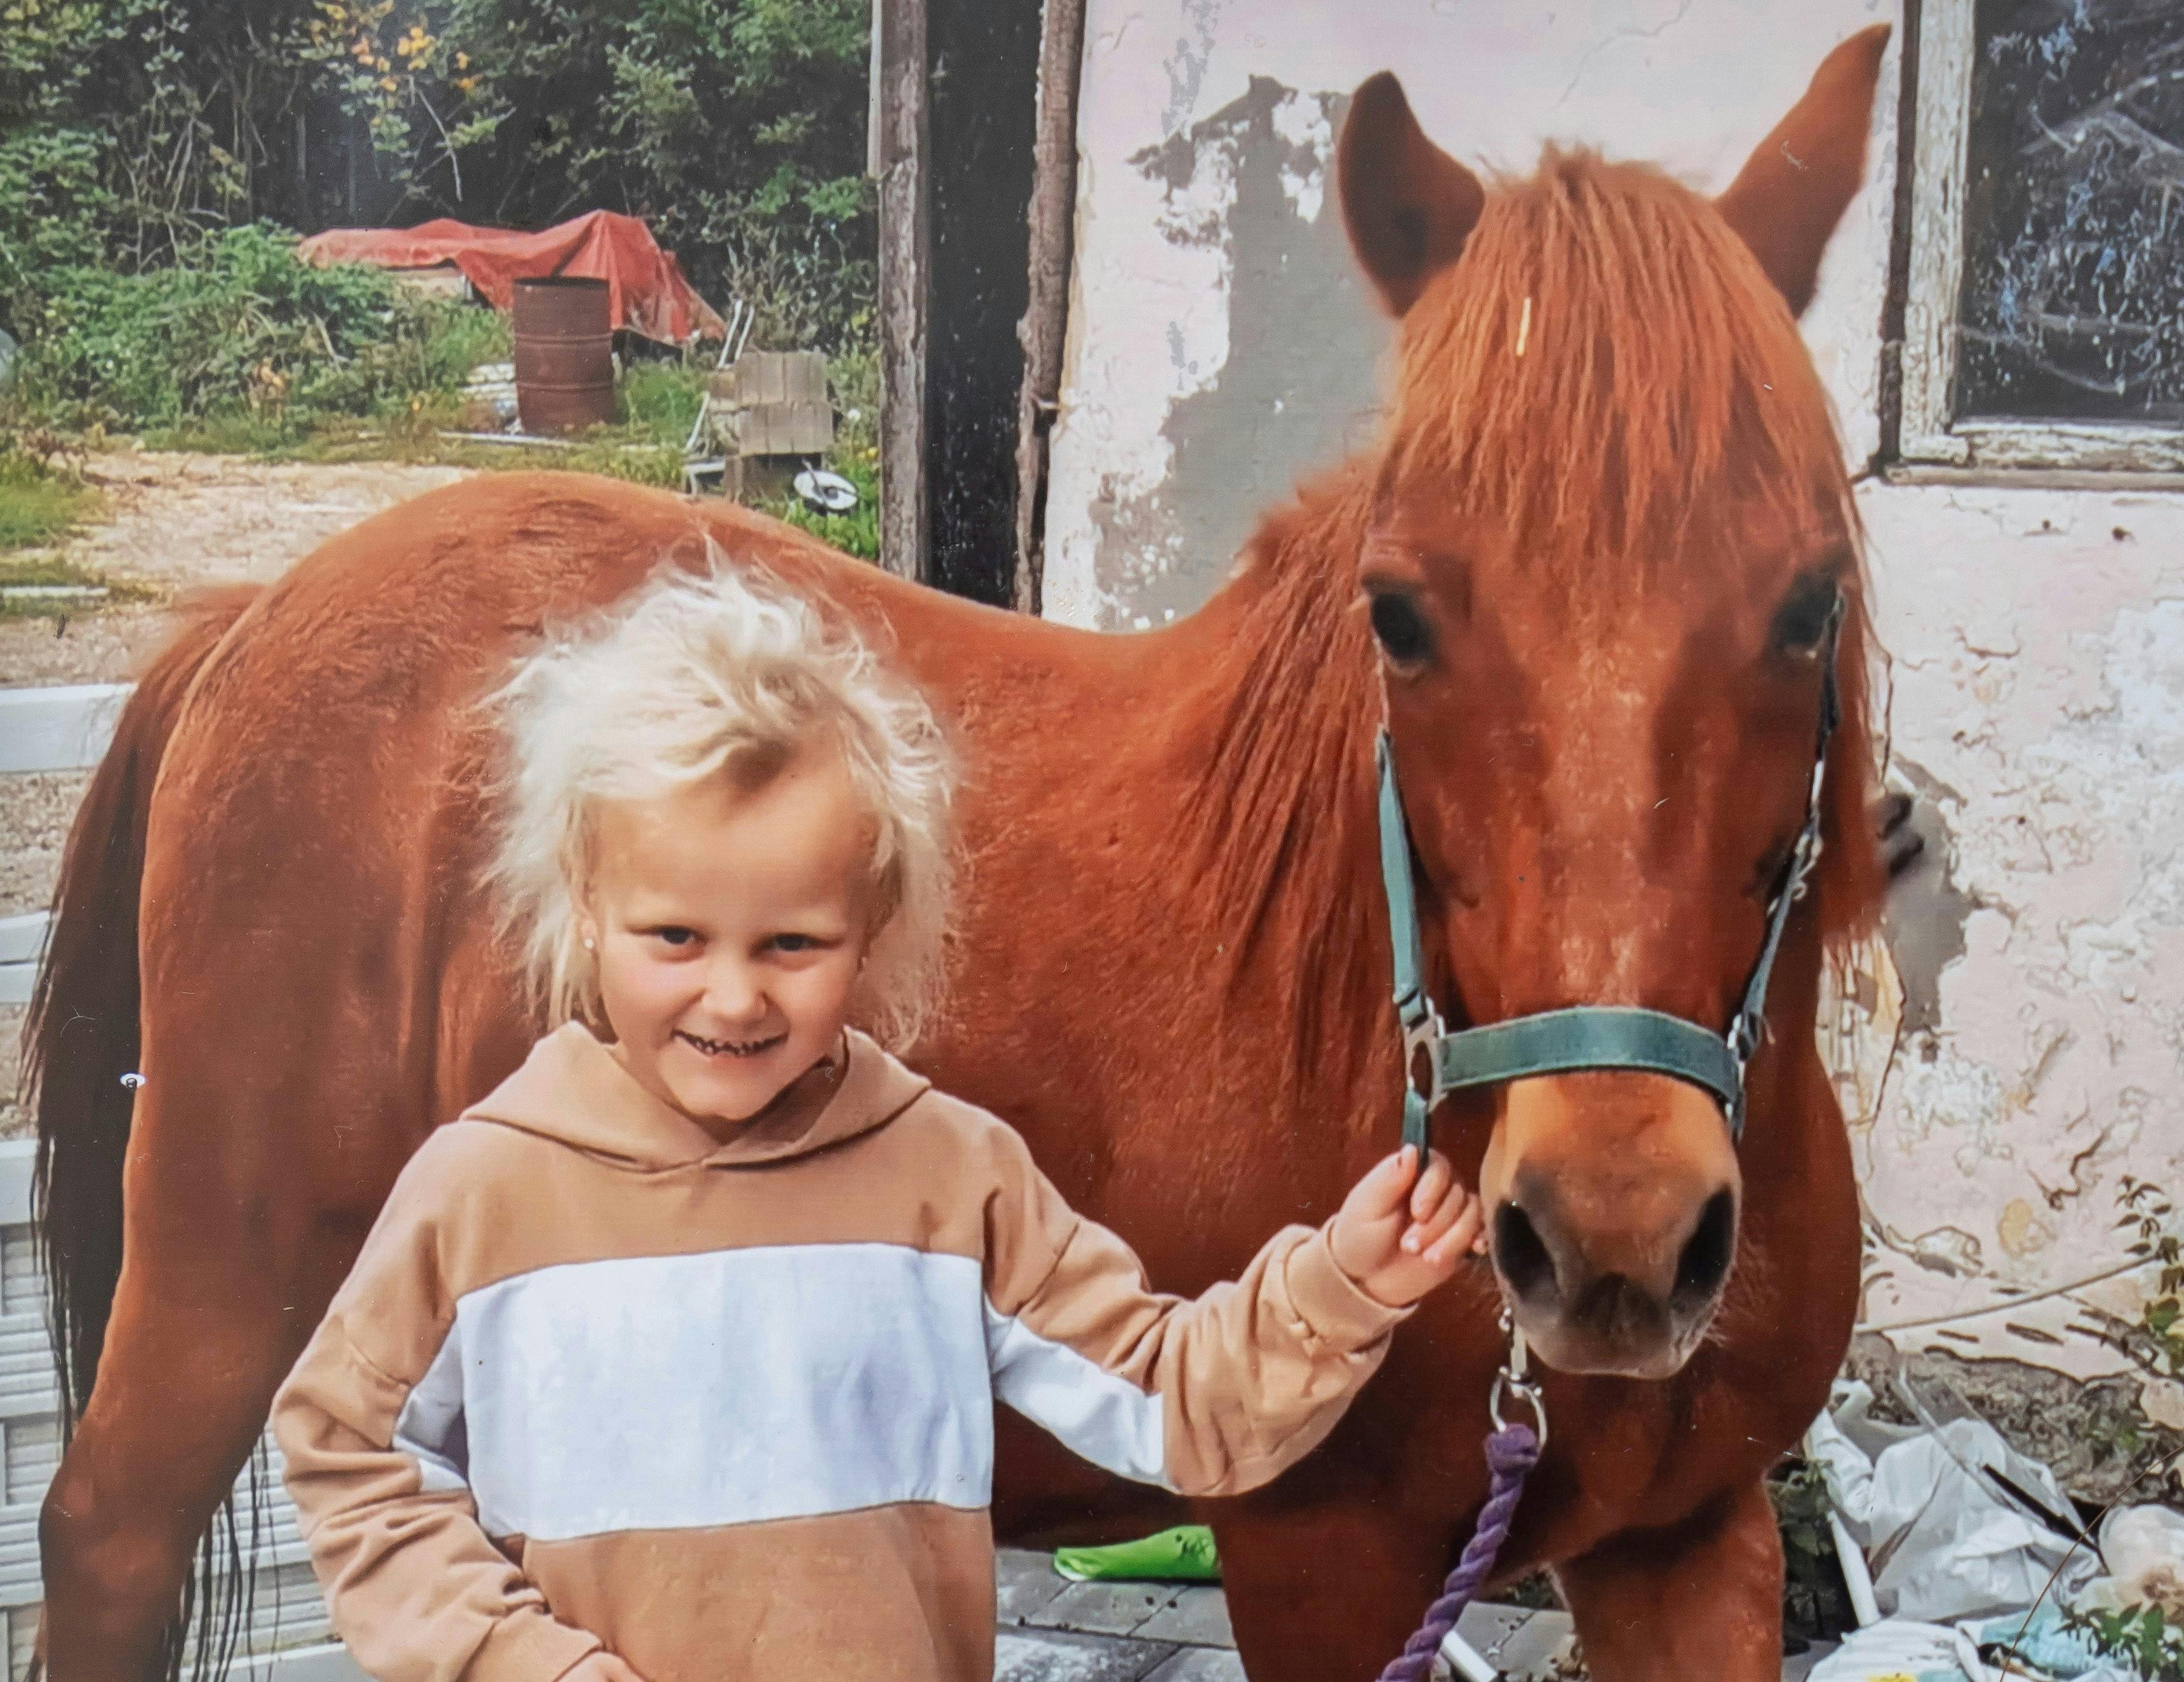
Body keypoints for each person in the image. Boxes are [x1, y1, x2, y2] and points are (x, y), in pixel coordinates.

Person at [271, 557, 1486, 1682]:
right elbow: (353, 1464)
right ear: (587, 907)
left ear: (875, 928)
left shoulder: (951, 1182)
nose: (735, 995)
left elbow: (1172, 1406)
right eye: (676, 937)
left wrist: (1339, 1288)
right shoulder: (483, 1192)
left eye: (793, 944)